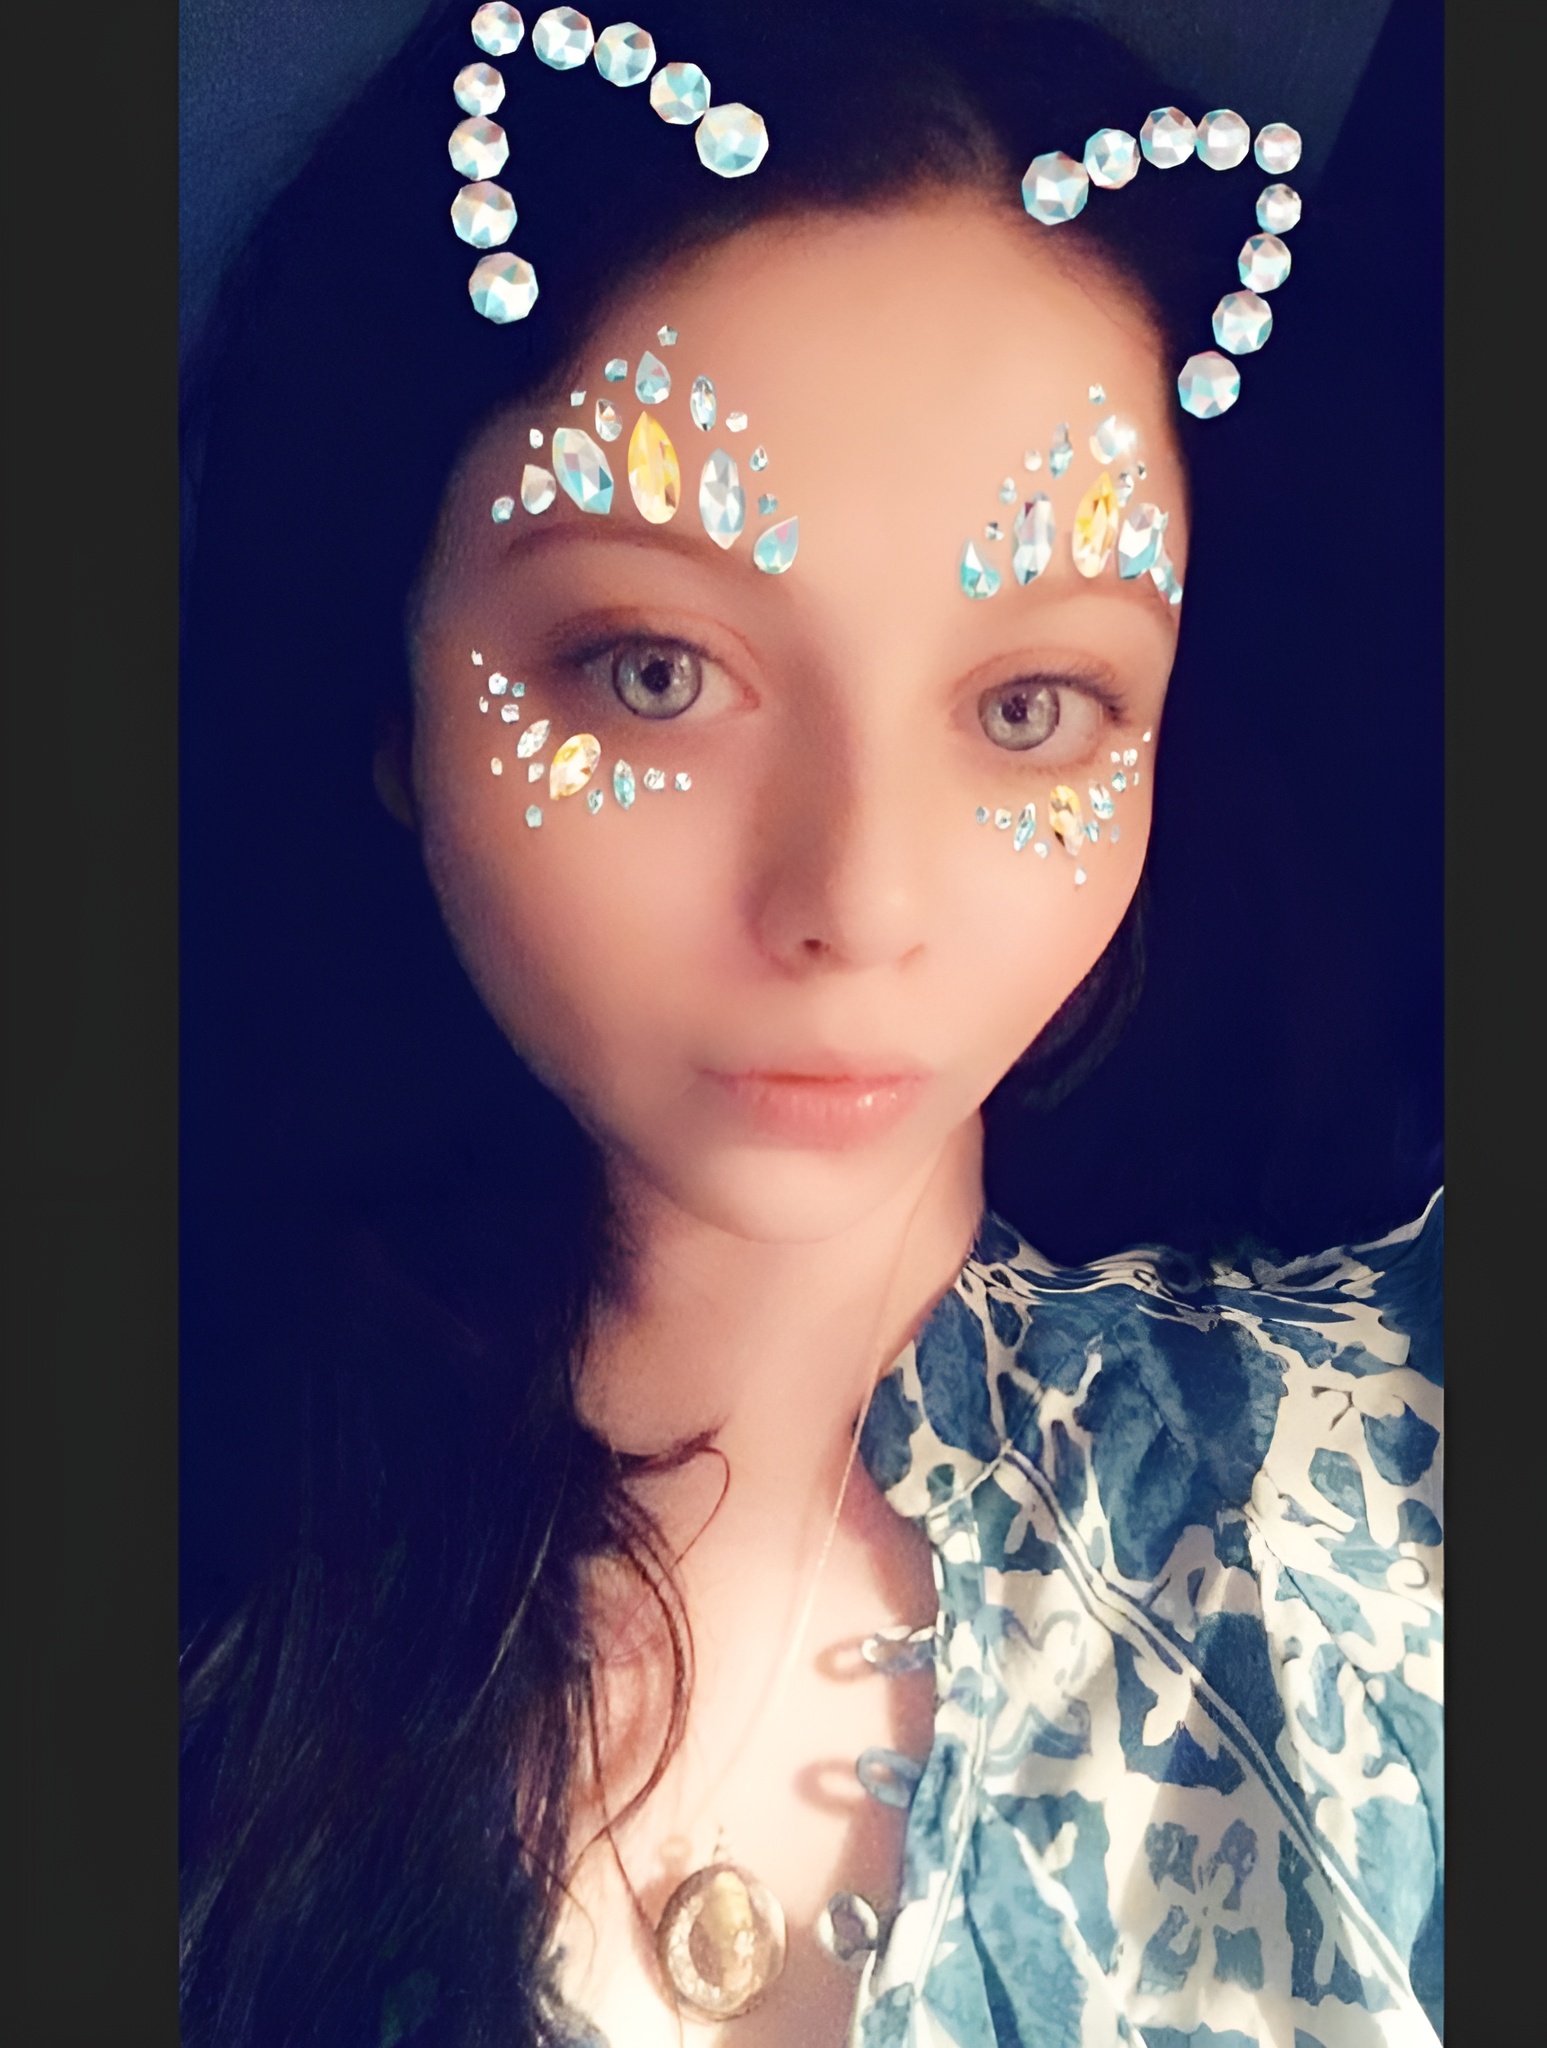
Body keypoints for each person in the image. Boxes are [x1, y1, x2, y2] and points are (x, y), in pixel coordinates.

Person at [179, 4, 1442, 2044]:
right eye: (654, 673)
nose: (860, 898)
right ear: (386, 690)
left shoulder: (1385, 1503)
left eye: (1031, 704)